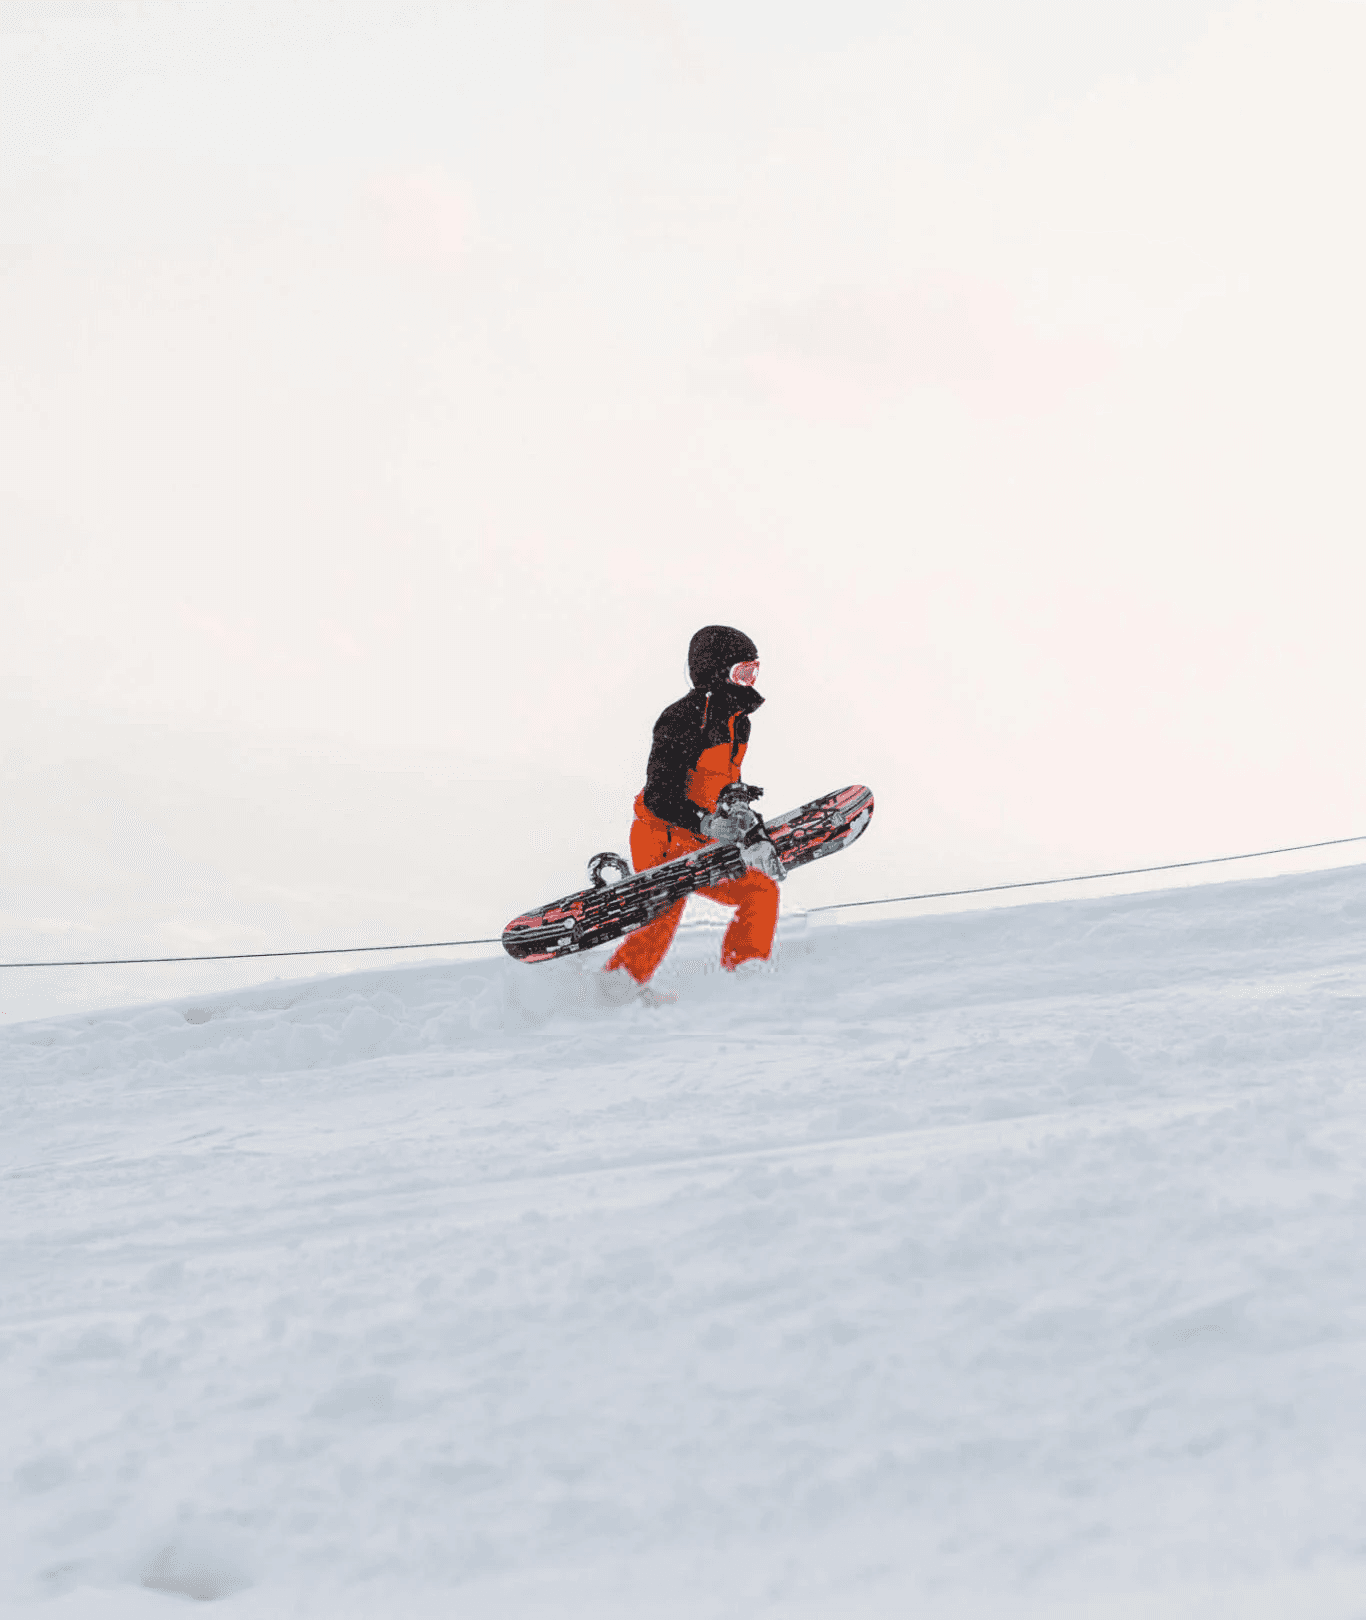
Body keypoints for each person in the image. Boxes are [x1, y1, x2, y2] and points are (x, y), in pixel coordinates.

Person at [604, 625, 784, 988]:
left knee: (760, 890)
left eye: (754, 672)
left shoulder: (738, 722)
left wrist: (744, 819)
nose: (749, 682)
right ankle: (613, 991)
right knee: (663, 914)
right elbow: (659, 796)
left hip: (698, 837)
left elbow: (722, 782)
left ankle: (747, 976)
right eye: (741, 672)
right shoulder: (683, 718)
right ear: (716, 671)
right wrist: (706, 824)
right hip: (660, 834)